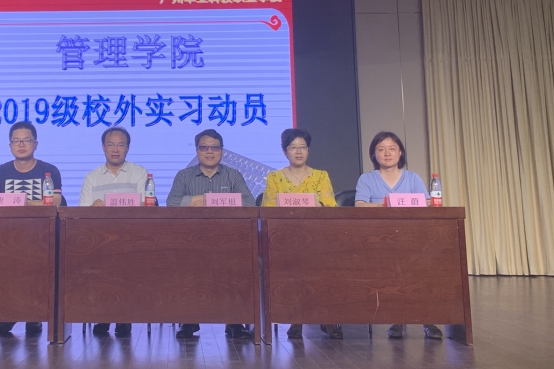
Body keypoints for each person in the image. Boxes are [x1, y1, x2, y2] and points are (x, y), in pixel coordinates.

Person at [166, 129, 255, 340]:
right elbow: (172, 203)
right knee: (186, 268)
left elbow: (250, 203)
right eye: (204, 147)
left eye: (214, 147)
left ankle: (235, 322)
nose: (209, 152)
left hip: (228, 239)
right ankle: (188, 321)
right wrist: (200, 199)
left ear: (222, 151)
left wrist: (212, 200)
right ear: (197, 151)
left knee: (236, 267)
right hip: (191, 240)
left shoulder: (233, 175)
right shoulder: (184, 175)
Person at [355, 131, 443, 341]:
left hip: (411, 239)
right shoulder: (367, 179)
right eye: (381, 149)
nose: (387, 153)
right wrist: (388, 204)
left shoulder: (412, 178)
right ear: (374, 154)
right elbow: (360, 206)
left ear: (400, 152)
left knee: (422, 269)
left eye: (392, 149)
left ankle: (427, 319)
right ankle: (397, 319)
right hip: (378, 241)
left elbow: (428, 203)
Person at [0, 121, 63, 337]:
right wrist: (21, 203)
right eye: (16, 141)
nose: (21, 145)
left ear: (36, 144)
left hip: (41, 236)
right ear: (10, 146)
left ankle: (34, 314)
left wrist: (22, 202)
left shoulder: (49, 171)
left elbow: (54, 203)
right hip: (6, 236)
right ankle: (7, 313)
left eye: (26, 140)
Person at [261, 128, 343, 340]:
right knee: (291, 264)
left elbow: (330, 207)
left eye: (303, 147)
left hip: (316, 238)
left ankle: (328, 318)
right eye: (293, 147)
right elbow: (268, 209)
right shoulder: (274, 177)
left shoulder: (321, 176)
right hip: (285, 238)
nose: (298, 152)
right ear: (284, 151)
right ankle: (295, 318)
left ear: (308, 150)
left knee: (324, 265)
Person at [79, 126, 147, 337]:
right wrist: (94, 207)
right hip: (100, 240)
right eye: (111, 144)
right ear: (103, 147)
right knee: (100, 268)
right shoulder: (92, 177)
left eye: (120, 145)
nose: (115, 149)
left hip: (132, 238)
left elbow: (146, 206)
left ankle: (124, 317)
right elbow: (82, 213)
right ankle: (103, 316)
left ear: (128, 148)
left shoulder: (140, 173)